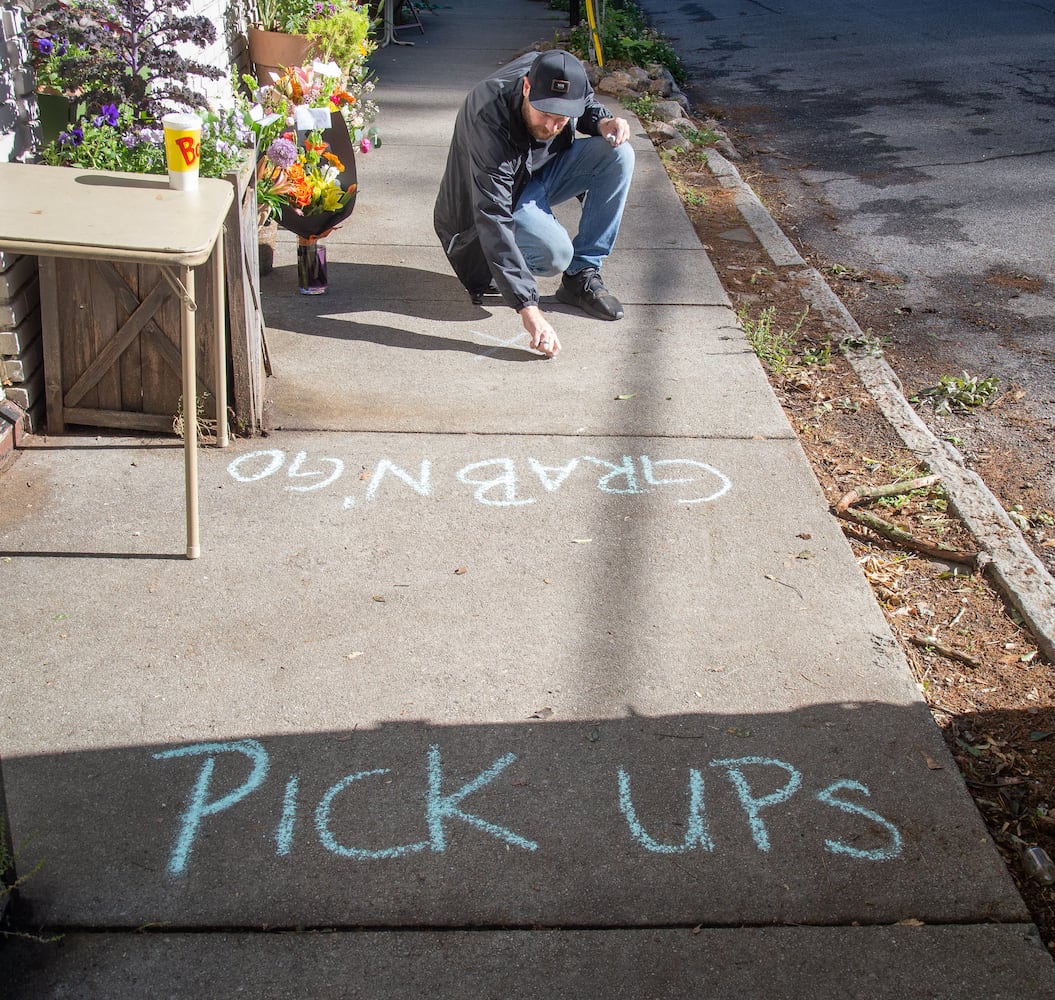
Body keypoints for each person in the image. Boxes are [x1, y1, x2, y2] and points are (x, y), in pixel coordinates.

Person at [434, 48, 635, 358]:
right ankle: (511, 266)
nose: (553, 127)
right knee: (555, 253)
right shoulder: (488, 117)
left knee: (618, 154)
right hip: (481, 216)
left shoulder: (560, 72)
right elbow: (493, 215)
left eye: (561, 118)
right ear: (527, 88)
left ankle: (581, 275)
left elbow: (587, 105)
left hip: (535, 178)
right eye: (545, 114)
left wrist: (602, 122)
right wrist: (529, 309)